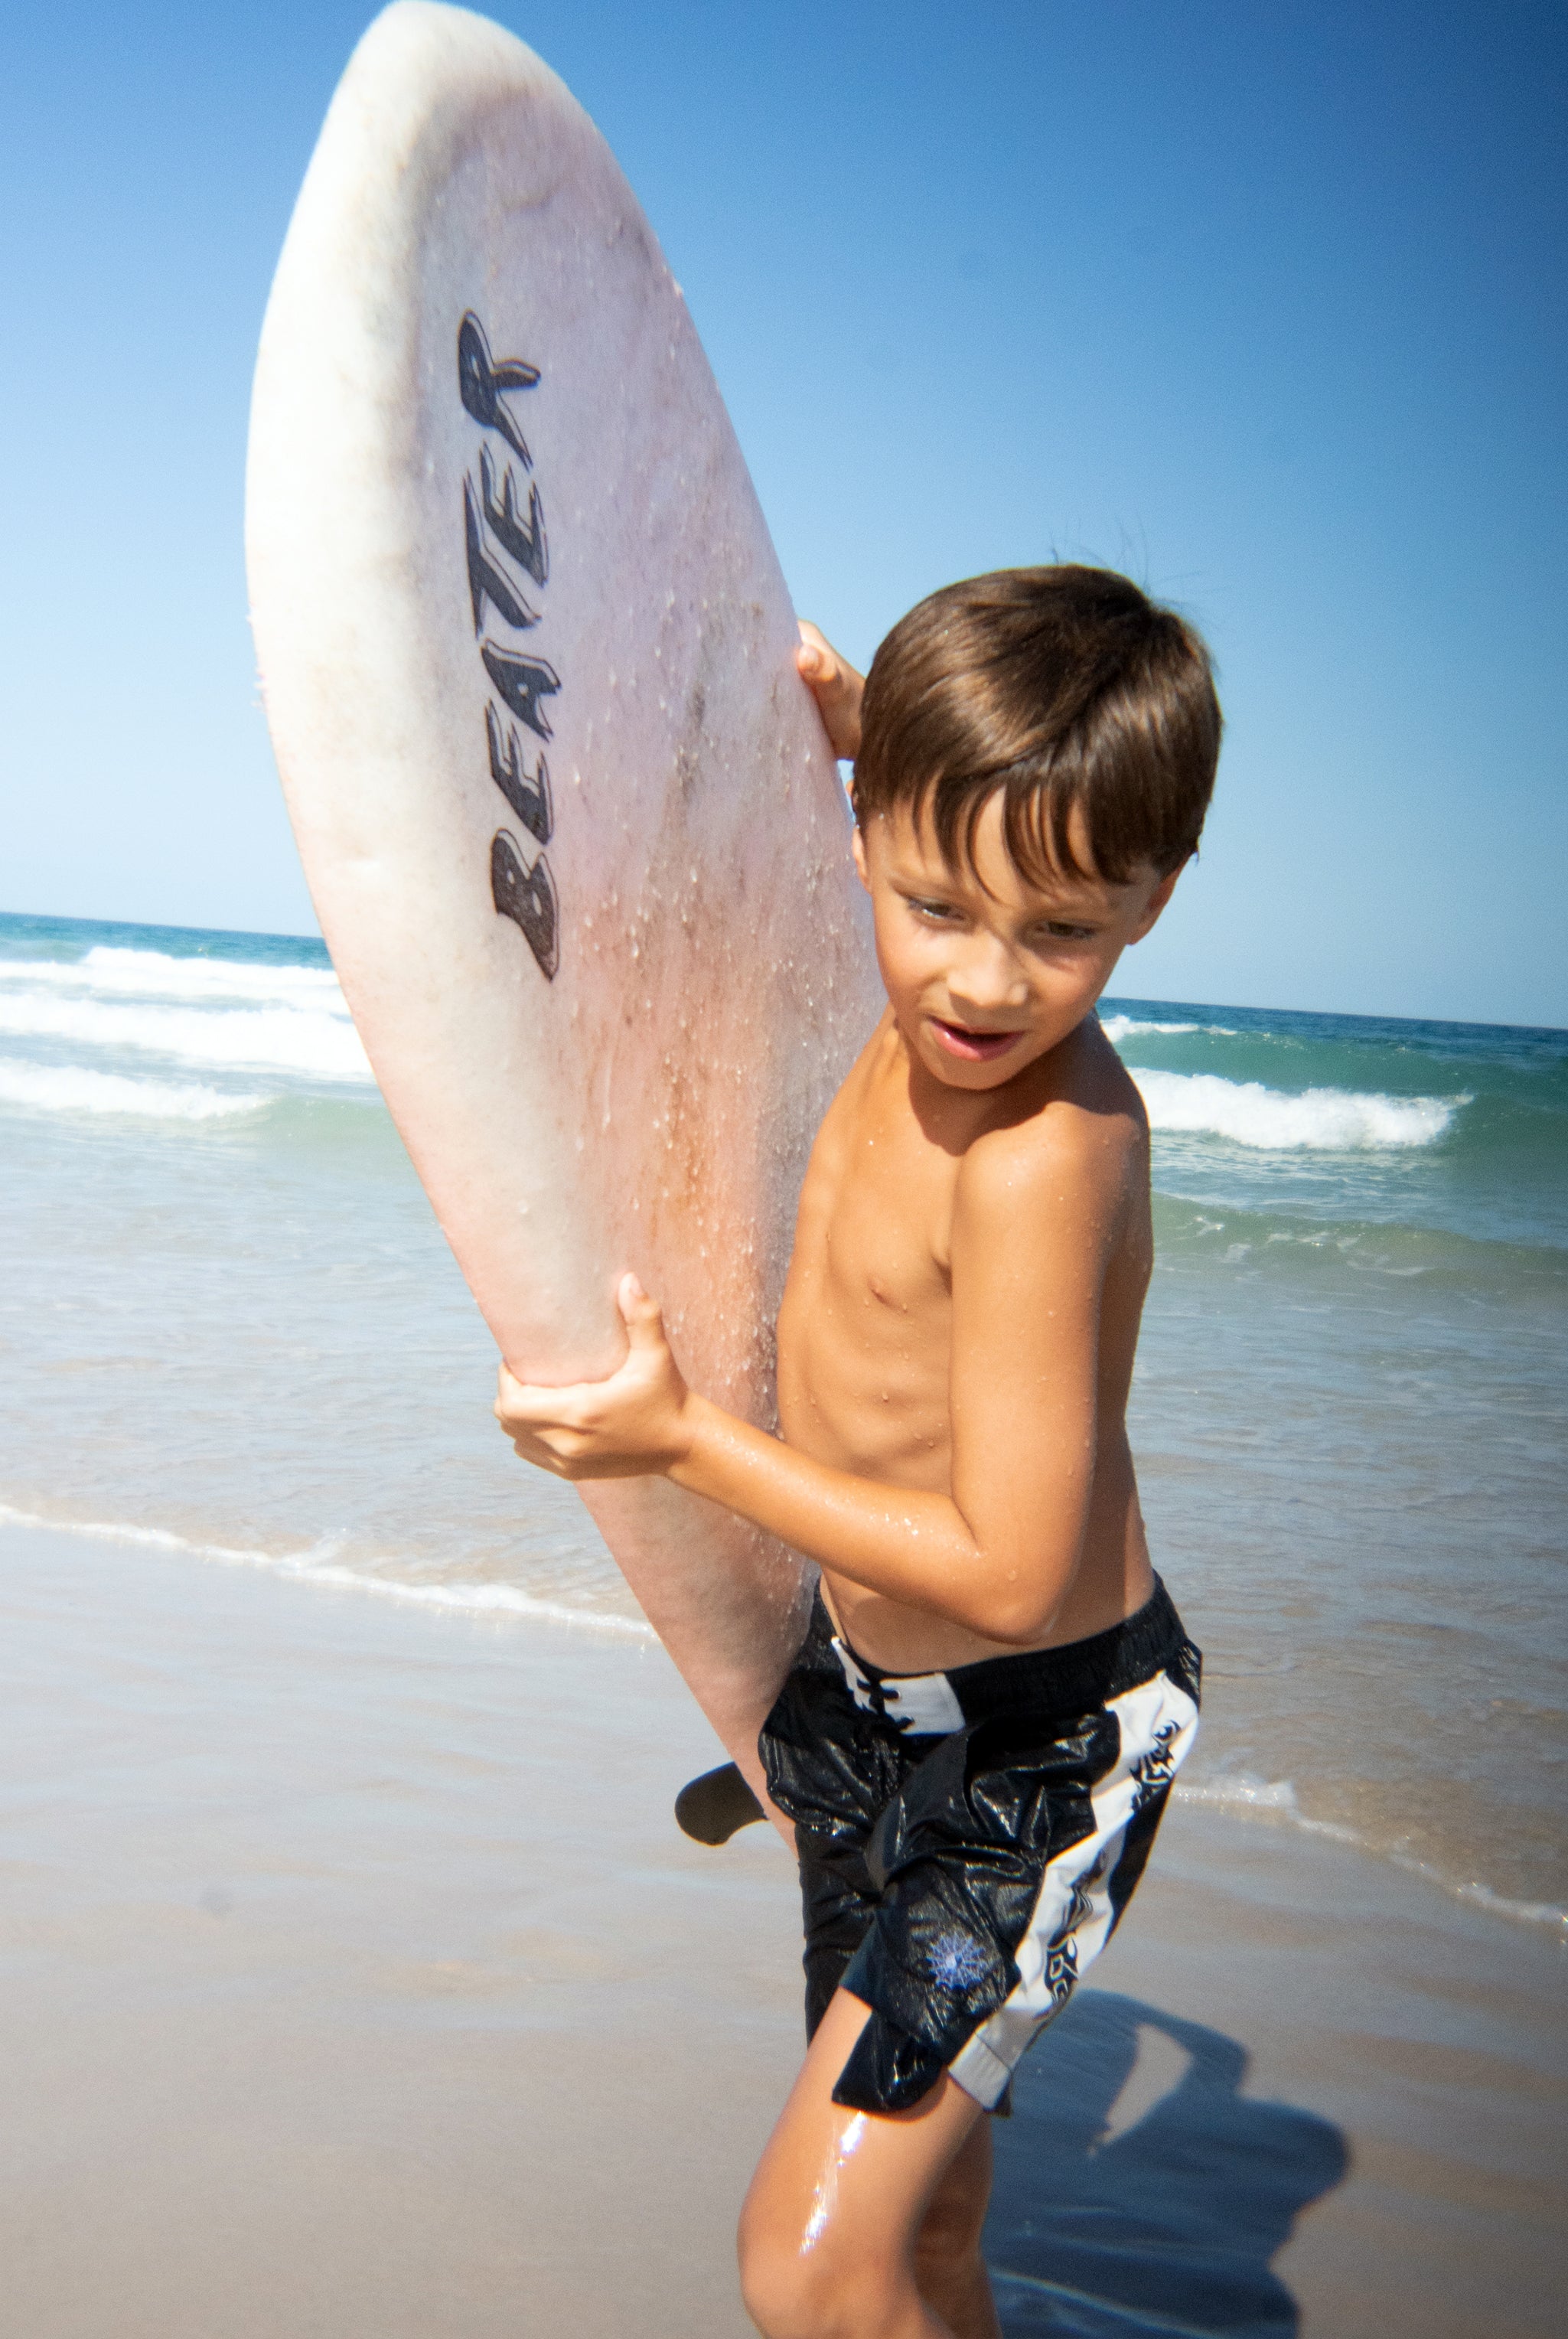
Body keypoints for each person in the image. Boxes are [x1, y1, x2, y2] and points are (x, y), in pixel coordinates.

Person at [495, 566, 1221, 2339]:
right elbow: (888, 827)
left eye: (1063, 930)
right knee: (932, 2229)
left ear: (1154, 899)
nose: (982, 980)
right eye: (932, 898)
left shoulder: (1043, 1152)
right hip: (864, 1727)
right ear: (866, 832)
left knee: (808, 2262)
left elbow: (1010, 1567)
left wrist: (678, 1444)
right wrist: (844, 735)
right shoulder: (908, 971)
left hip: (1033, 1761)